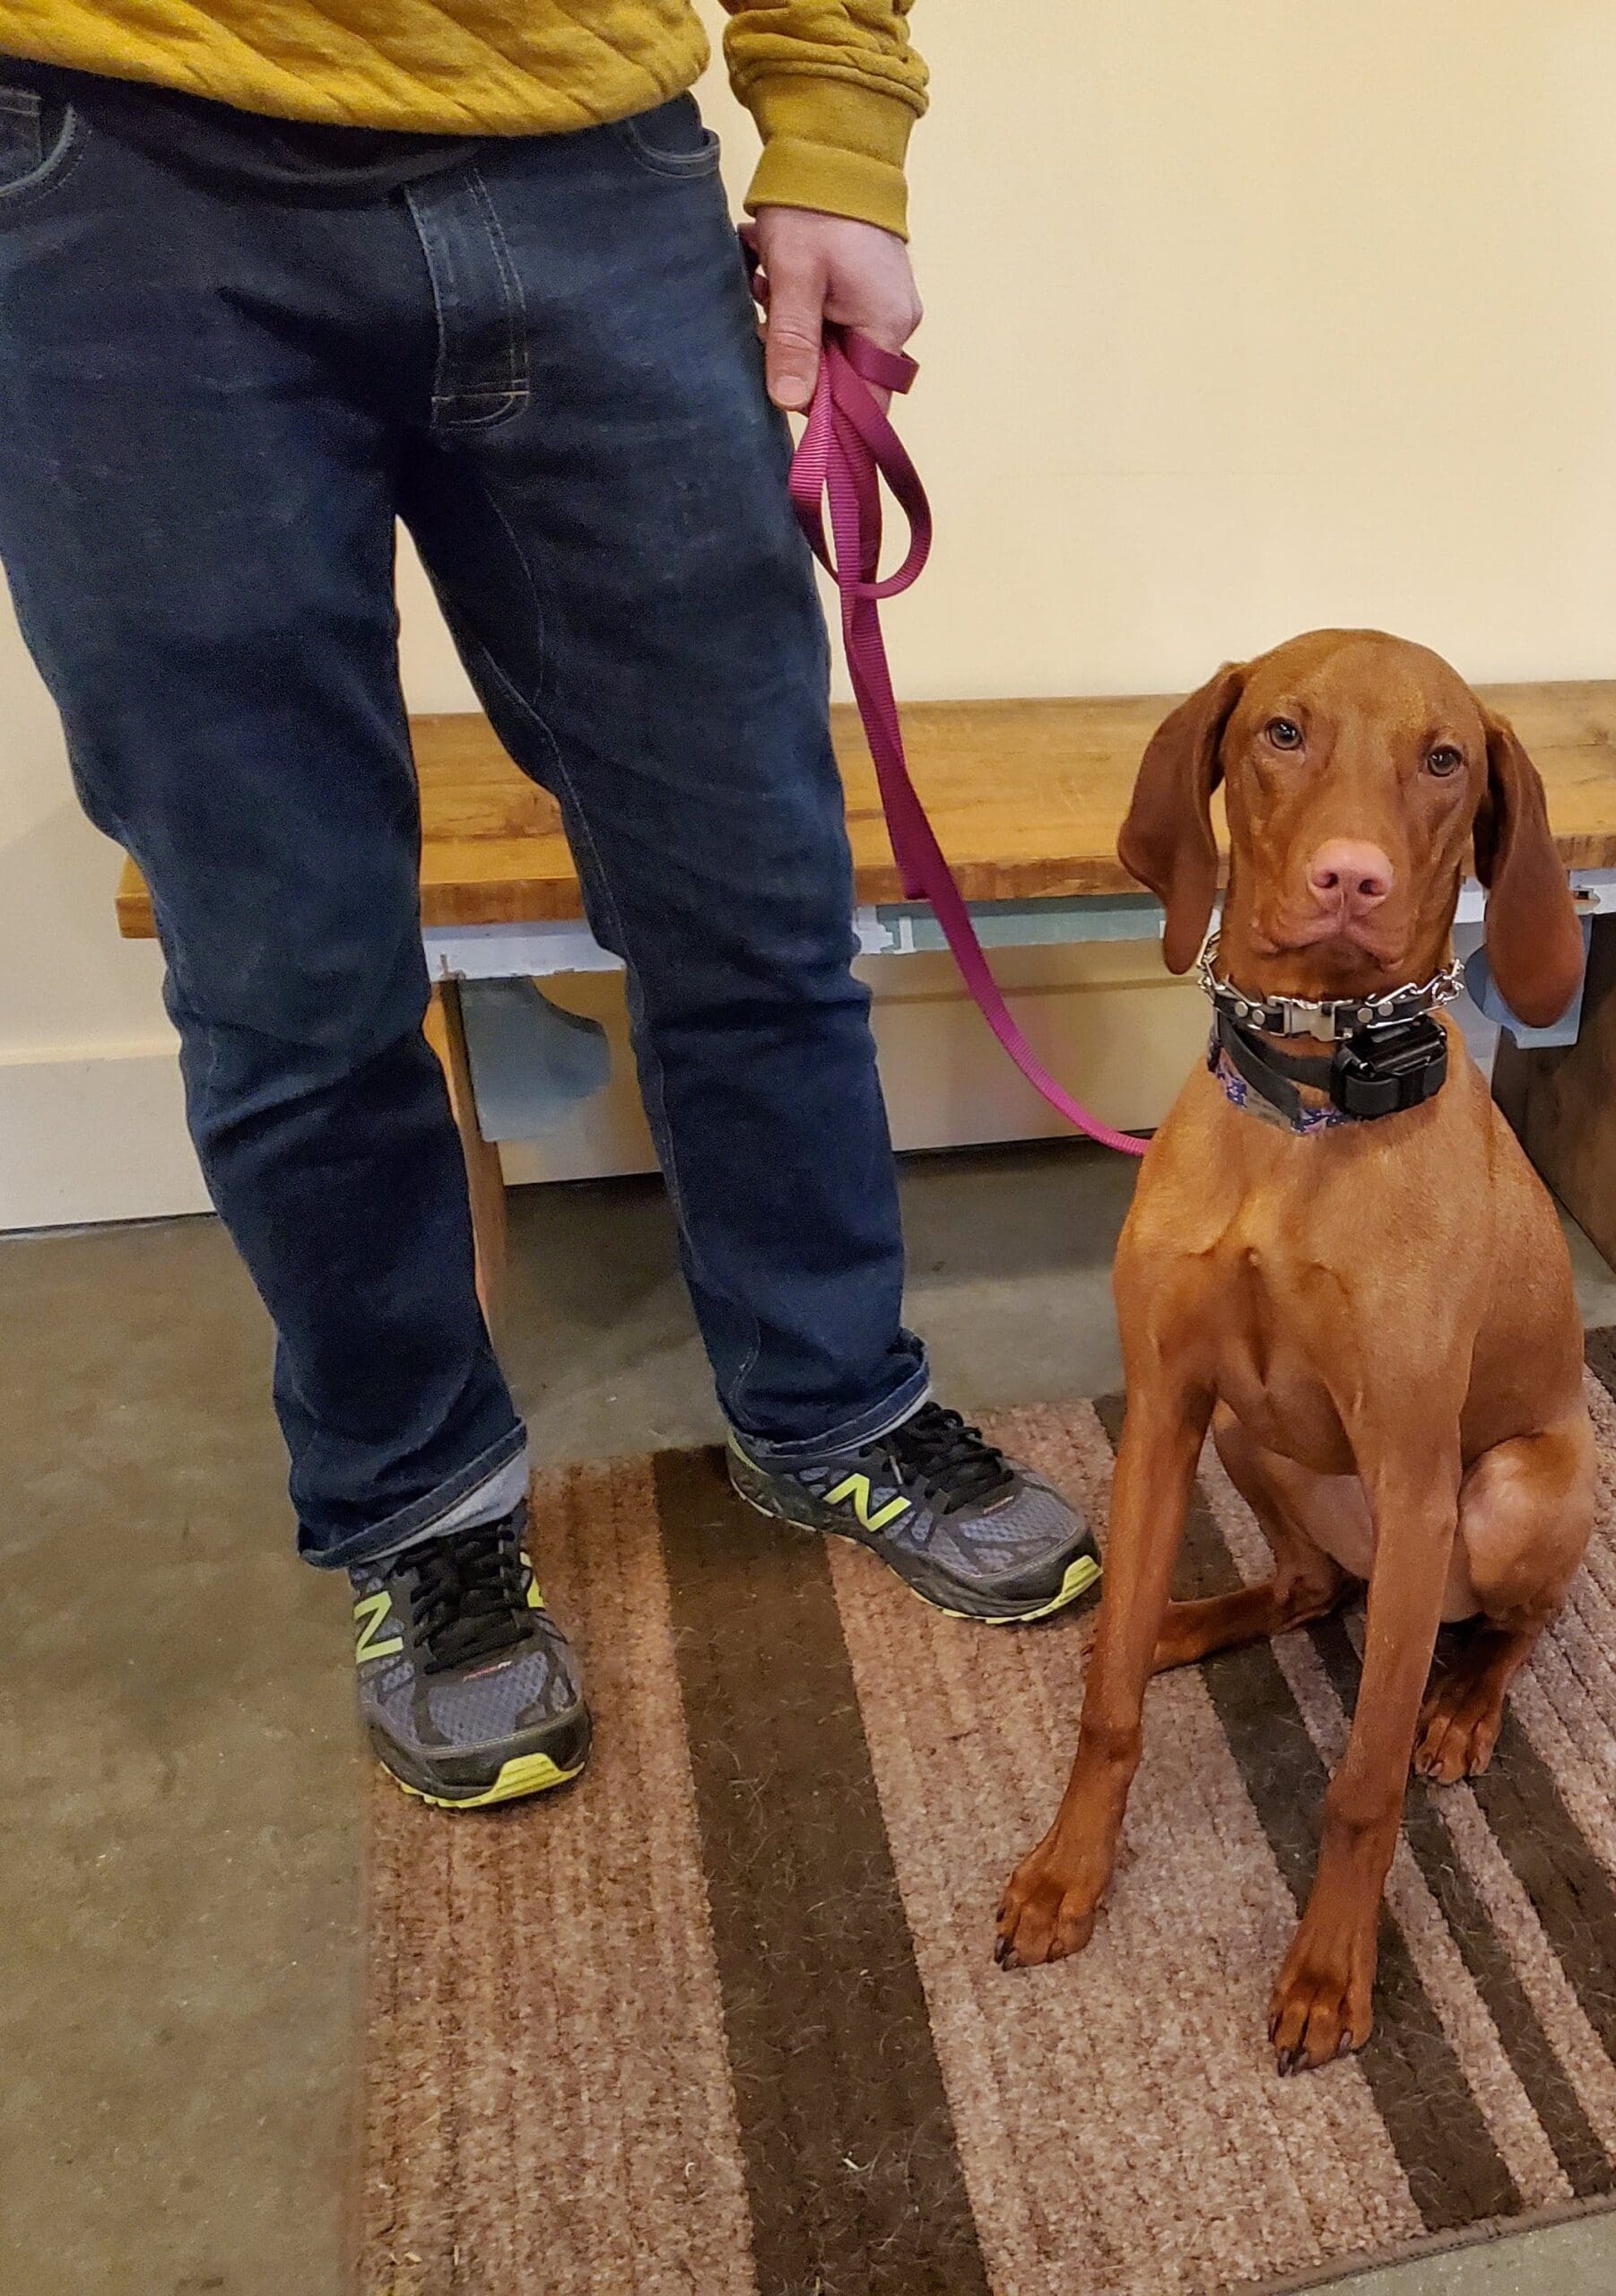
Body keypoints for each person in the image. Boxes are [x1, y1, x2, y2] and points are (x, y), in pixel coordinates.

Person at [0, 0, 1099, 1813]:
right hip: (112, 168)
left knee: (748, 884)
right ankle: (416, 1505)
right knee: (291, 967)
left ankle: (828, 1398)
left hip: (588, 159)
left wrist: (834, 126)